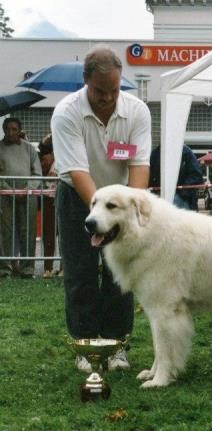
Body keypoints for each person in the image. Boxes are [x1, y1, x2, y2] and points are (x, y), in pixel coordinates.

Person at [51, 45, 152, 372]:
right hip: (76, 197)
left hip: (120, 201)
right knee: (80, 273)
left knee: (120, 274)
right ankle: (85, 344)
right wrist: (101, 216)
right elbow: (78, 172)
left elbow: (138, 165)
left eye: (113, 90)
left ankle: (117, 344)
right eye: (99, 91)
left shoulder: (137, 111)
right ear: (85, 81)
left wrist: (131, 212)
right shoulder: (66, 112)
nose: (108, 98)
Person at [0, 117, 42, 278]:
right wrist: (9, 190)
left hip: (28, 195)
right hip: (4, 195)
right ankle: (4, 268)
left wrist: (28, 189)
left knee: (28, 231)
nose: (10, 132)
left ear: (19, 130)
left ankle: (27, 268)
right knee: (5, 232)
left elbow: (37, 172)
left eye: (13, 129)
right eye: (7, 129)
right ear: (3, 129)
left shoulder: (29, 148)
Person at [149, 144, 204, 211]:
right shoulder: (155, 153)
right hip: (165, 196)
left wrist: (182, 192)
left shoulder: (185, 151)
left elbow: (197, 175)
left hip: (180, 197)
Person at [38, 134, 59, 278]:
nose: (42, 162)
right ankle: (48, 268)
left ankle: (64, 268)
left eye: (44, 159)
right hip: (48, 199)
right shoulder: (43, 164)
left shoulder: (62, 160)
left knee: (65, 236)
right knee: (48, 235)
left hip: (64, 200)